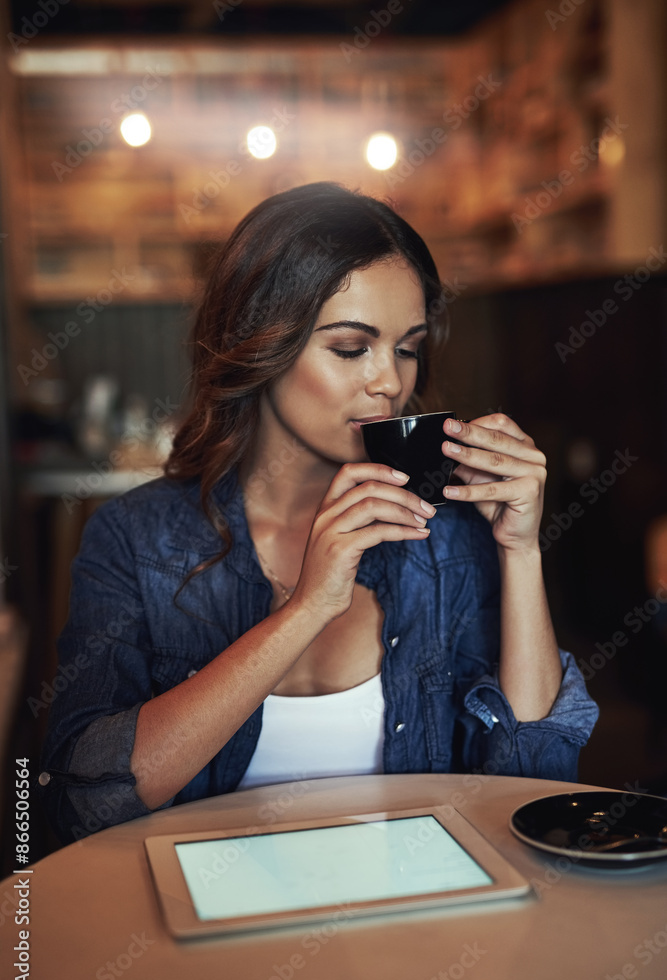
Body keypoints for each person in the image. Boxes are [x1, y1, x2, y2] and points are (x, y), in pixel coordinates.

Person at [39, 182, 599, 844]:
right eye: (349, 348)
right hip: (198, 936)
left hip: (418, 925)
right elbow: (81, 801)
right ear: (258, 342)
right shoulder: (137, 538)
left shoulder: (444, 531)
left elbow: (534, 779)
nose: (389, 380)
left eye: (407, 346)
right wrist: (307, 607)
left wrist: (520, 552)